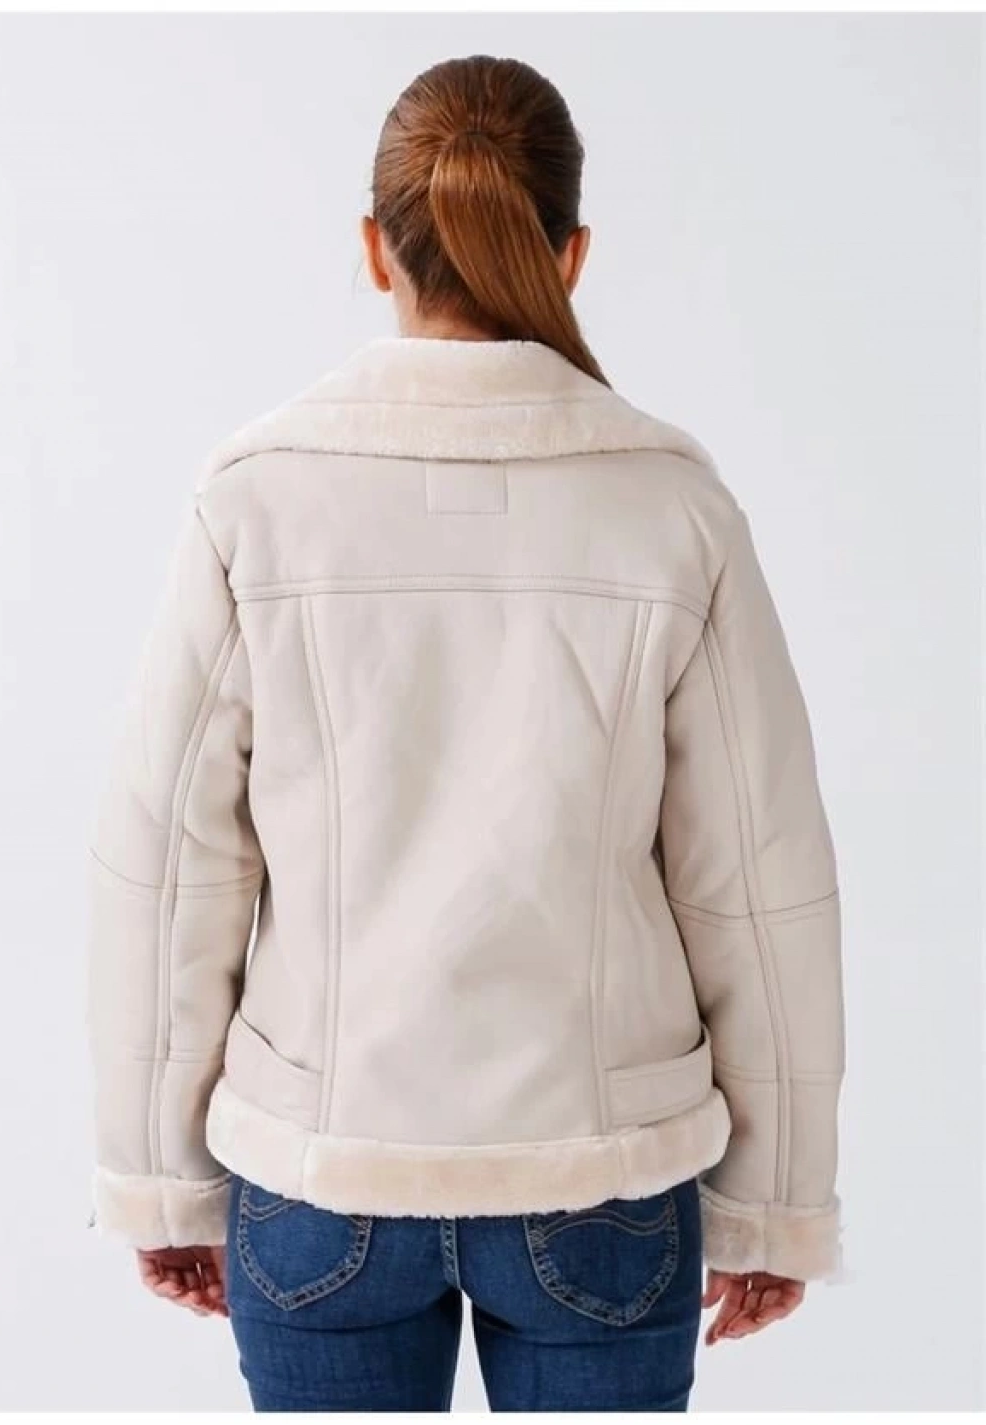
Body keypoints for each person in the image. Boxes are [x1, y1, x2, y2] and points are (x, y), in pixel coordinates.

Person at [85, 53, 845, 1413]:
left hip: (319, 1177)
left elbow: (170, 868)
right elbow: (757, 879)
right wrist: (779, 1201)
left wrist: (159, 1178)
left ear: (377, 248)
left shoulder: (259, 499)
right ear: (572, 252)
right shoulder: (672, 507)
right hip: (603, 1180)